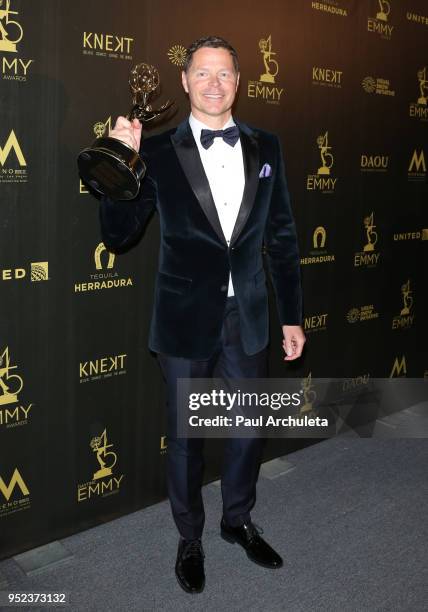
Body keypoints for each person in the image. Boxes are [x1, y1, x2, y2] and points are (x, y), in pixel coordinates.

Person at [99, 35, 305, 594]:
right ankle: (189, 536)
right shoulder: (157, 151)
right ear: (185, 82)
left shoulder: (268, 147)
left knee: (246, 430)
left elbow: (282, 237)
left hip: (251, 317)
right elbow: (118, 236)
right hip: (184, 319)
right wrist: (122, 163)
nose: (215, 84)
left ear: (239, 83)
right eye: (203, 74)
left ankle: (237, 521)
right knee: (187, 439)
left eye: (226, 75)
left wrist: (291, 315)